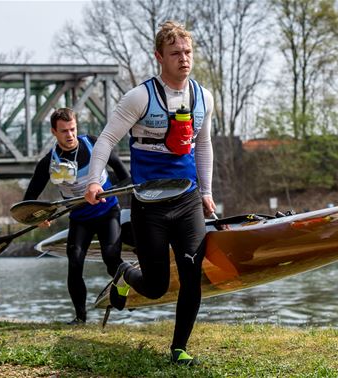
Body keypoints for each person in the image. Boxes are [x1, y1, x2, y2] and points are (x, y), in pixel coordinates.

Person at [85, 21, 215, 365]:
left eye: (187, 52)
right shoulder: (139, 97)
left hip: (187, 200)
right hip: (149, 204)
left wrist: (207, 191)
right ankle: (124, 274)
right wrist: (94, 181)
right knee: (157, 286)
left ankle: (179, 349)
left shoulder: (204, 96)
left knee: (191, 272)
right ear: (159, 57)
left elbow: (203, 145)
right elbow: (106, 140)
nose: (184, 59)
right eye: (175, 53)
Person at [24, 107, 130, 325]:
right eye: (64, 131)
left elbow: (125, 177)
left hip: (107, 211)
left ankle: (123, 285)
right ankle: (80, 318)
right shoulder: (48, 163)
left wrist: (106, 192)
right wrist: (39, 217)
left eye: (72, 129)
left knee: (111, 258)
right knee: (74, 263)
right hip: (80, 218)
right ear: (54, 132)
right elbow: (29, 200)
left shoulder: (95, 144)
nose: (70, 135)